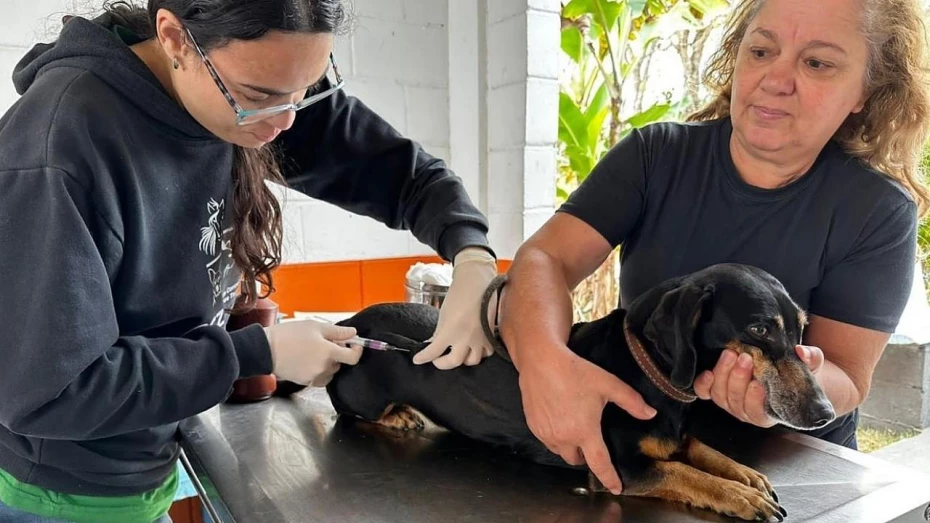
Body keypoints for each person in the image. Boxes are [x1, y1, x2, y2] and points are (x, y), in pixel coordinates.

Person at [0, 0, 497, 521]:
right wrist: (254, 353)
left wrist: (472, 257)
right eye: (259, 97)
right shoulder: (63, 145)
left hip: (150, 466)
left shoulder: (254, 91)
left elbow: (406, 176)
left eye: (305, 93)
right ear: (173, 38)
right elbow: (49, 392)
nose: (285, 123)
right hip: (63, 497)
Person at [500, 0, 929, 496]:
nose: (776, 78)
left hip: (793, 470)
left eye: (817, 63)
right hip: (647, 444)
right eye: (762, 50)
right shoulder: (655, 156)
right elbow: (544, 260)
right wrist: (544, 363)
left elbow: (848, 378)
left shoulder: (875, 211)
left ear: (866, 91)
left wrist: (769, 395)